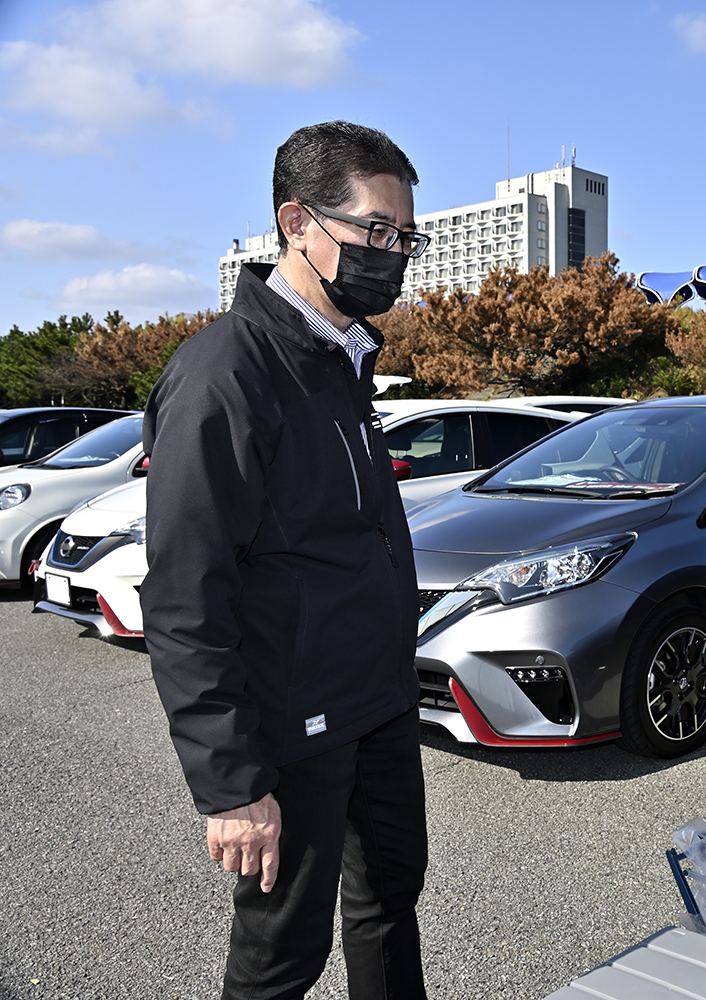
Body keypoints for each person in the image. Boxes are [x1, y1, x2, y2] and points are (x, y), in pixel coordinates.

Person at [140, 121, 430, 998]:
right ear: (296, 223)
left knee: (388, 905)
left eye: (404, 237)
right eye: (374, 231)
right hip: (291, 724)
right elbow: (187, 593)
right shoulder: (226, 374)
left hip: (376, 703)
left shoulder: (342, 362)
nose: (393, 253)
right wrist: (229, 784)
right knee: (281, 955)